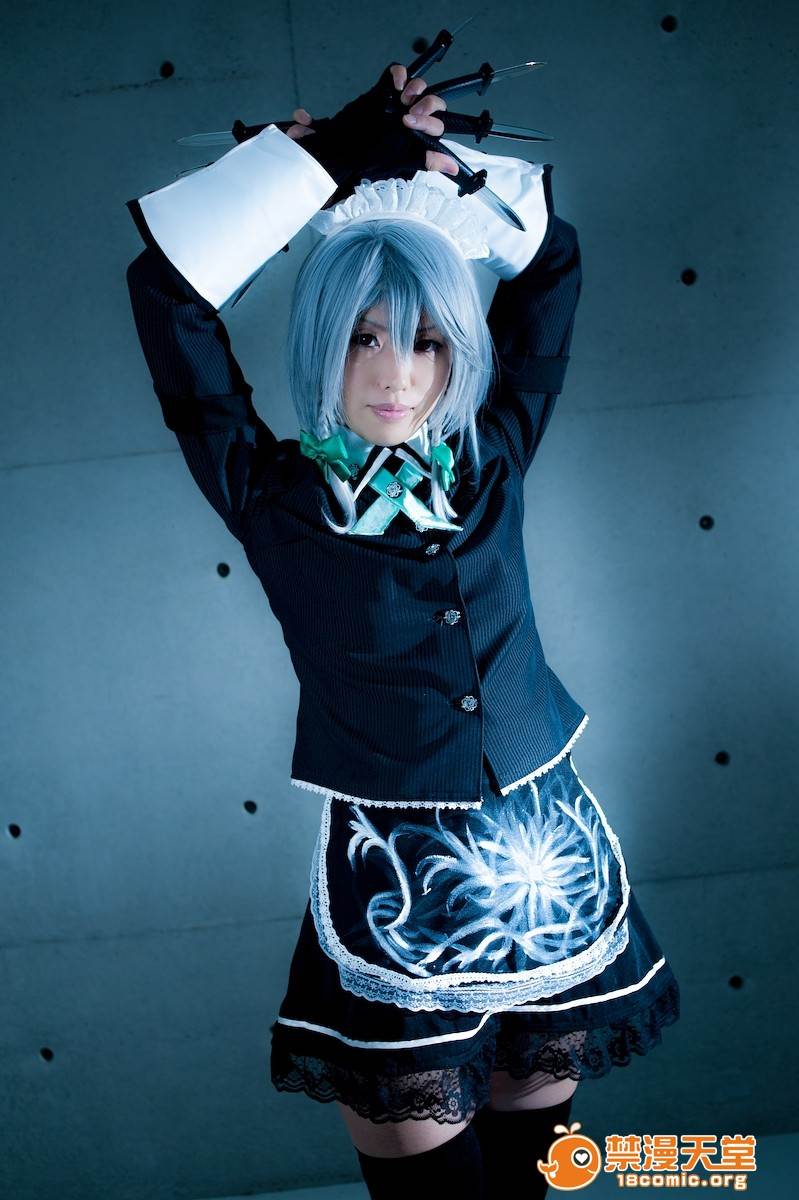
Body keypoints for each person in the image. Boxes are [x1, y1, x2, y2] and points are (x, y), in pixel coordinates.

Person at [125, 55, 681, 1200]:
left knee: (535, 1174)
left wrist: (439, 163)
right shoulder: (268, 492)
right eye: (361, 337)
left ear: (458, 351)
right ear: (321, 341)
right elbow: (167, 296)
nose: (394, 374)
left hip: (546, 857)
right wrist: (319, 163)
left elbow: (551, 262)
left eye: (426, 342)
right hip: (394, 880)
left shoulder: (492, 460)